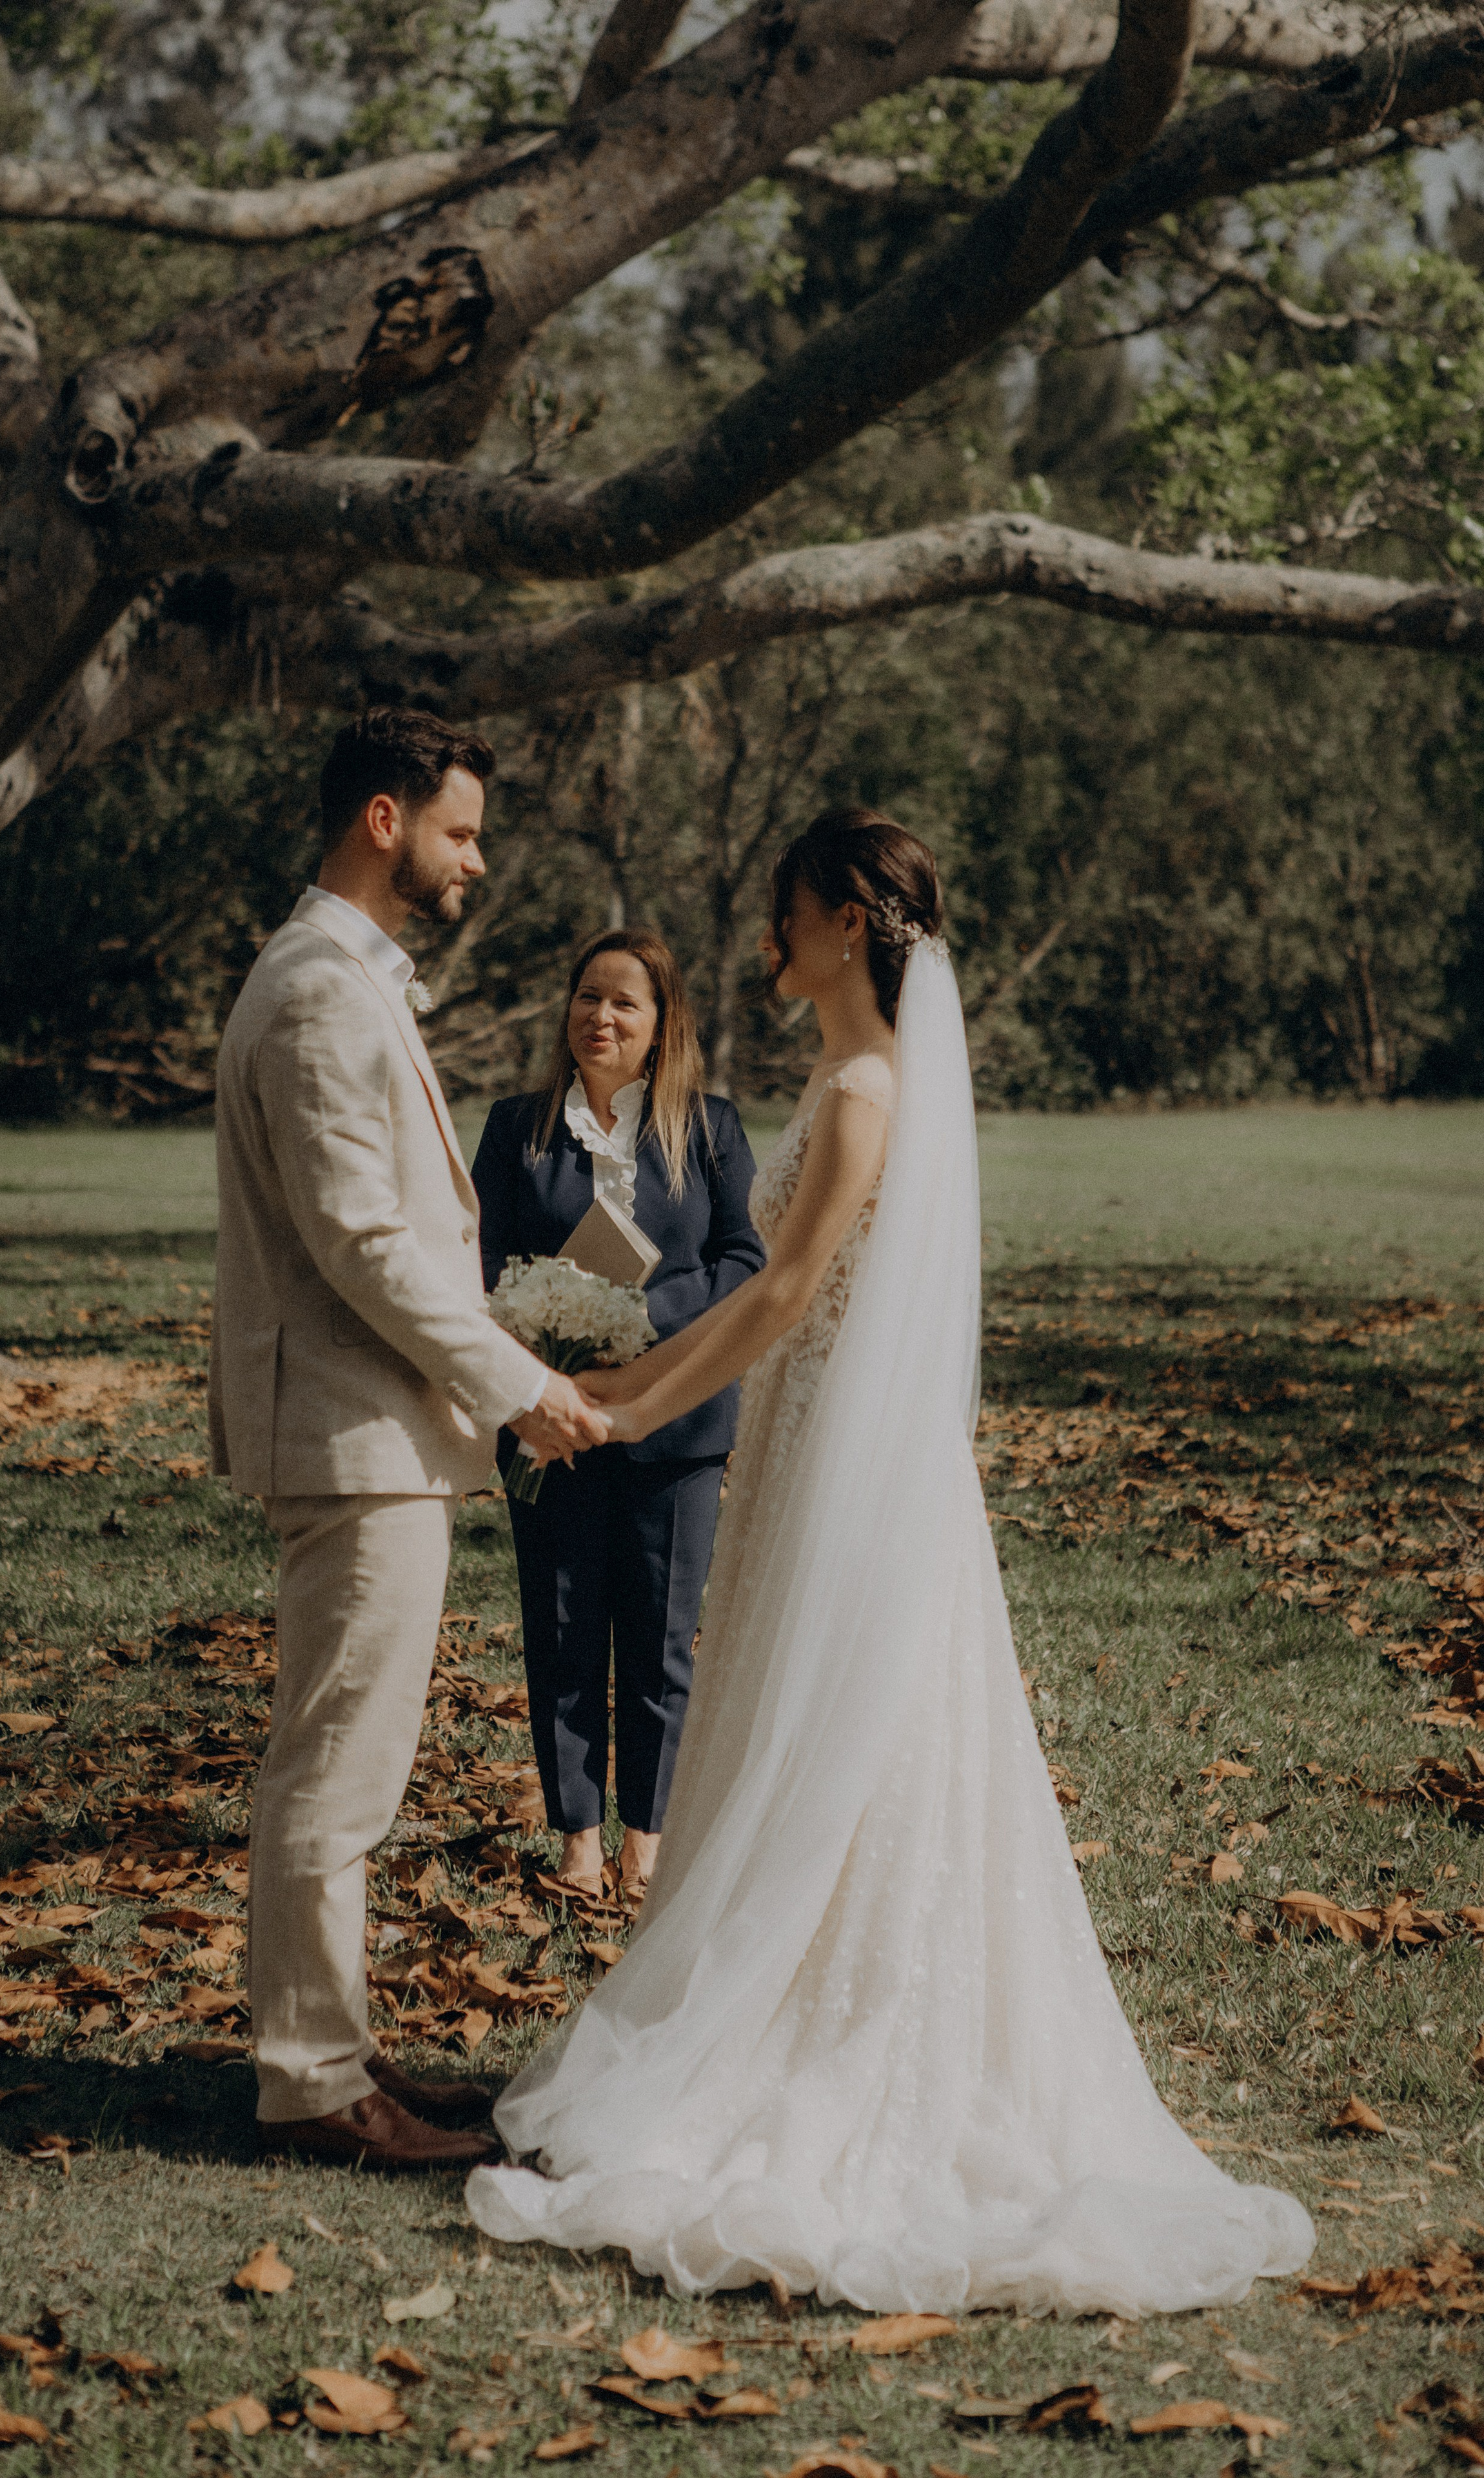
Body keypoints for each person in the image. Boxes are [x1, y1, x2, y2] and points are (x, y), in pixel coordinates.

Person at [466, 811, 1313, 2315]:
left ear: (847, 922)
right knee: (820, 1727)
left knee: (854, 1730)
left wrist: (618, 1406)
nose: (766, 940)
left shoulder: (863, 1089)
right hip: (825, 1453)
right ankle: (809, 1993)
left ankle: (832, 2035)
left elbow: (781, 1297)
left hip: (840, 1464)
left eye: (786, 914)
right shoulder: (854, 1077)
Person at [208, 705, 609, 2173]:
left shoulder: (345, 976)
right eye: (460, 831)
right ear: (384, 820)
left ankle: (322, 2048)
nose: (475, 861)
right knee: (338, 1761)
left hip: (369, 1428)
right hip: (350, 1431)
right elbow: (363, 1241)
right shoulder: (316, 987)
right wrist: (519, 1384)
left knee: (344, 1753)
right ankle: (312, 2081)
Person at [472, 929, 764, 1897]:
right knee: (560, 1630)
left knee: (657, 1637)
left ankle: (647, 1838)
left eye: (625, 1004)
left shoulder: (708, 1128)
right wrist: (535, 1360)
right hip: (551, 1418)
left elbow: (742, 1261)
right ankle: (579, 1840)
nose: (601, 1016)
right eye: (587, 997)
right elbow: (479, 1266)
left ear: (660, 1024)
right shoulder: (519, 1129)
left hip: (675, 1423)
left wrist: (640, 1316)